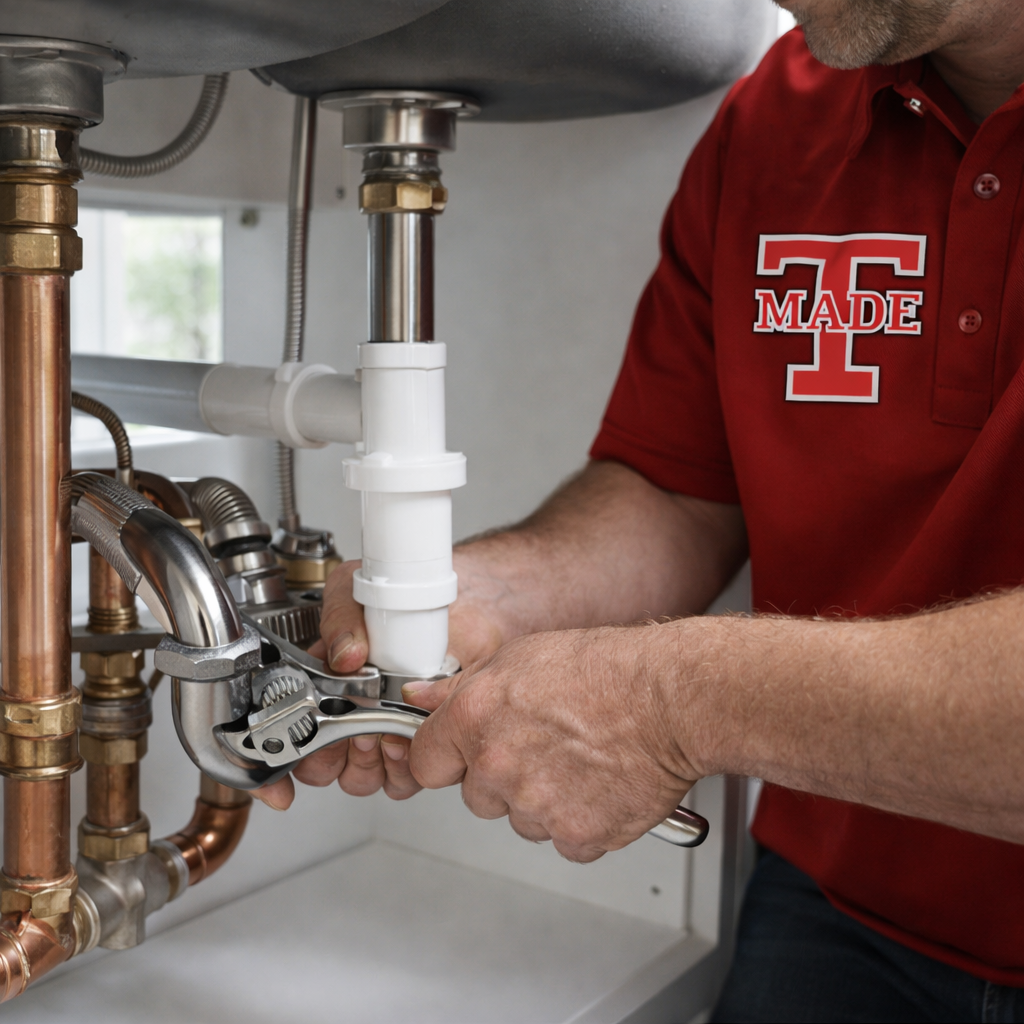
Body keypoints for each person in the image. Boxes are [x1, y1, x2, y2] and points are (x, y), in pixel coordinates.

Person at [258, 1, 1024, 1019]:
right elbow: (679, 491)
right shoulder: (778, 118)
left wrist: (670, 704)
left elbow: (675, 697)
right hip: (840, 895)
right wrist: (478, 599)